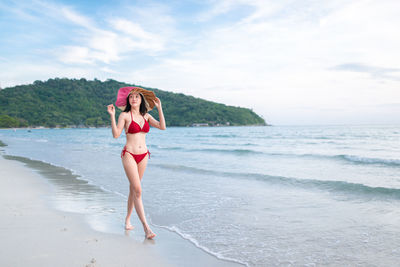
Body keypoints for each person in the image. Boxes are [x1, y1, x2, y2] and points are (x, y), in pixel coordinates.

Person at [107, 86, 166, 239]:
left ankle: (127, 219)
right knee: (138, 190)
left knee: (134, 190)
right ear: (128, 100)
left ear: (141, 100)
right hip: (129, 155)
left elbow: (162, 127)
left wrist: (159, 108)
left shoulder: (146, 116)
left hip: (144, 155)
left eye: (137, 97)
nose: (134, 98)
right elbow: (116, 135)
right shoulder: (124, 116)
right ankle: (146, 228)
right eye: (131, 96)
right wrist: (112, 116)